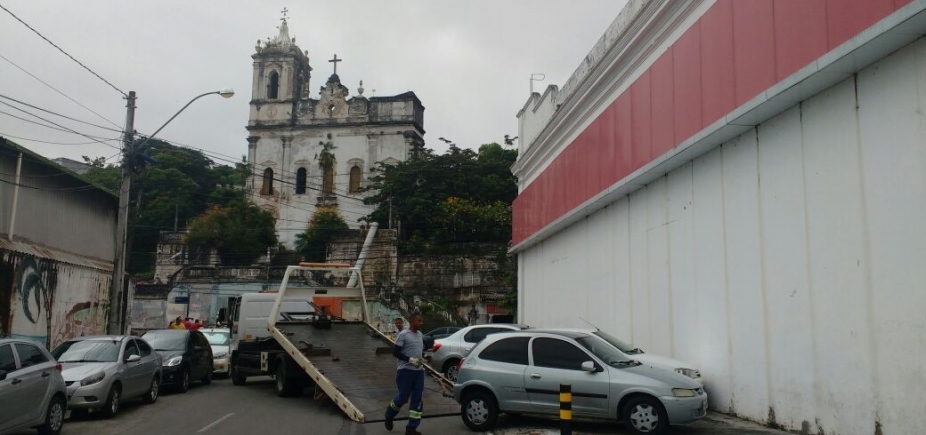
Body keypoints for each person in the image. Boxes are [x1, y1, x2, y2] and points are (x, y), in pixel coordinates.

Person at [385, 312, 425, 435]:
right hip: (405, 372)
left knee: (417, 399)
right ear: (412, 321)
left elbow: (418, 352)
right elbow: (395, 352)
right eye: (419, 321)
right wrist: (410, 360)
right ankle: (389, 415)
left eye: (421, 321)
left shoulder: (420, 335)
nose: (421, 323)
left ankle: (411, 428)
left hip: (419, 372)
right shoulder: (403, 335)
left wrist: (424, 358)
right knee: (403, 398)